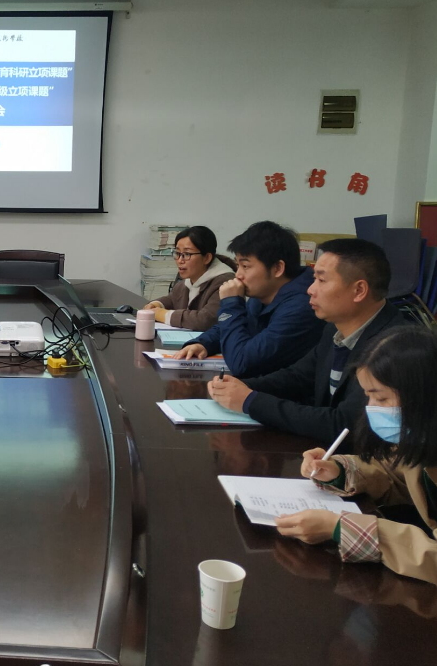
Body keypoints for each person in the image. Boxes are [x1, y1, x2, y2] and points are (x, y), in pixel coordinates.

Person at [275, 327, 437, 585]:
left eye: (381, 398)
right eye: (368, 396)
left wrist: (342, 528)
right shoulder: (421, 437)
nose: (371, 409)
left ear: (423, 396)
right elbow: (397, 475)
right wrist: (340, 471)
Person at [208, 238, 407, 447]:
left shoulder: (394, 349)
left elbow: (344, 424)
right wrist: (241, 387)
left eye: (321, 280)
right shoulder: (335, 327)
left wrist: (250, 401)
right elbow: (298, 377)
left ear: (359, 290)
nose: (310, 290)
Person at [174, 221, 324, 377]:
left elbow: (242, 364)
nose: (238, 274)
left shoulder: (302, 307)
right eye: (237, 265)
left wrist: (231, 304)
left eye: (245, 266)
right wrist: (203, 343)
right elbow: (238, 325)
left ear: (277, 268)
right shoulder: (263, 293)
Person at [143, 226, 236, 330]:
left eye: (187, 254)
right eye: (177, 253)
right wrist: (156, 304)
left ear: (207, 258)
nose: (180, 260)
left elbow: (205, 320)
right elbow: (172, 299)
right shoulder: (187, 280)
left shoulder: (226, 283)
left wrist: (163, 315)